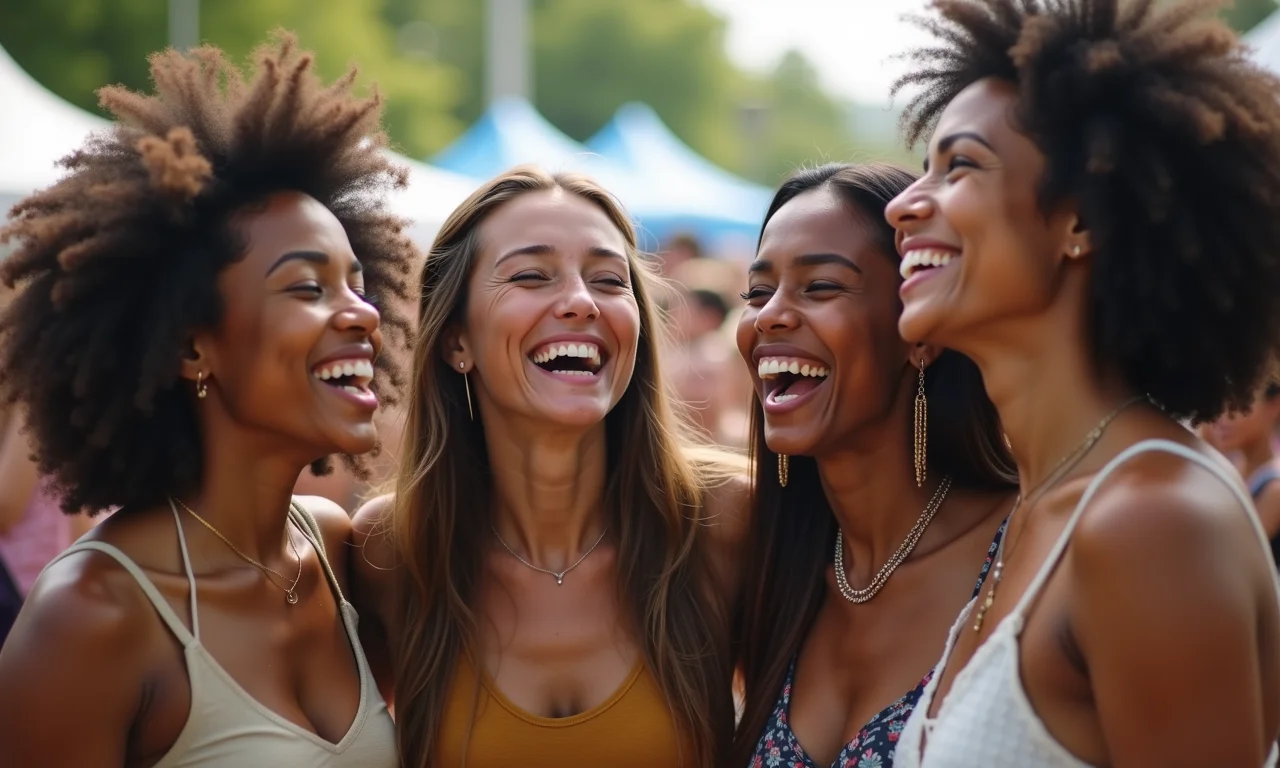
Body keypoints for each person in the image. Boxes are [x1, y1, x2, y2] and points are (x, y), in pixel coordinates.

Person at [0, 33, 415, 766]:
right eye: (307, 287)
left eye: (358, 283)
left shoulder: (339, 552)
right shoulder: (92, 614)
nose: (362, 314)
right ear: (193, 347)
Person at [884, 1, 1280, 765]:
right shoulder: (1042, 507)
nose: (903, 205)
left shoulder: (1153, 522)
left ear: (1081, 222)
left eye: (959, 165)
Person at [352, 165, 749, 768]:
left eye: (609, 280)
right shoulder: (391, 550)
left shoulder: (725, 520)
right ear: (457, 340)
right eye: (531, 276)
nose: (582, 303)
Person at [731, 163, 1017, 768]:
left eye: (820, 286)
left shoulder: (1029, 553)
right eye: (757, 293)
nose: (770, 316)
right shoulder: (768, 568)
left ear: (920, 335)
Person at [1203, 382, 1280, 563]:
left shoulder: (1274, 488)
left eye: (1239, 402)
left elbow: (1228, 558)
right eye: (1220, 402)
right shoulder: (1231, 464)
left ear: (1274, 405)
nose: (1224, 417)